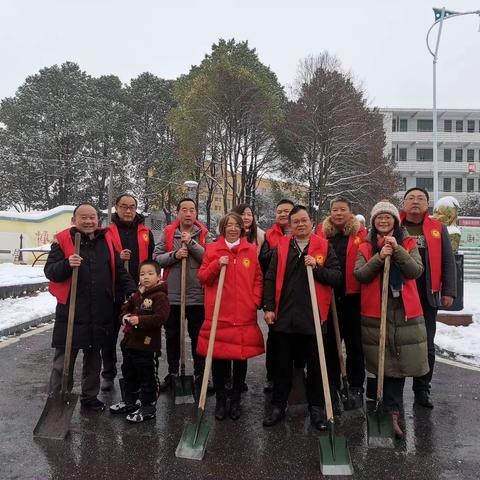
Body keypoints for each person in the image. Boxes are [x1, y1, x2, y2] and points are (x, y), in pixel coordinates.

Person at [44, 203, 136, 412]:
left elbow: (119, 270)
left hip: (100, 309)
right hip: (72, 310)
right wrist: (67, 264)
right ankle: (58, 397)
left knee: (94, 359)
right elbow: (50, 271)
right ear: (74, 221)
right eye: (83, 217)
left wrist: (131, 290)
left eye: (92, 217)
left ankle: (90, 397)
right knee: (64, 360)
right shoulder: (63, 241)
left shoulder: (106, 240)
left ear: (98, 219)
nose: (88, 221)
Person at [262, 205, 342, 430]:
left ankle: (316, 409)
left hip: (313, 318)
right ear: (290, 225)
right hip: (285, 317)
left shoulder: (324, 247)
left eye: (304, 220)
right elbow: (269, 278)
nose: (300, 224)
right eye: (295, 221)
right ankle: (278, 405)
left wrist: (317, 267)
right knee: (282, 366)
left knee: (316, 367)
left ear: (311, 221)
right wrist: (268, 307)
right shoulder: (282, 247)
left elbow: (336, 277)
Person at [354, 201, 428, 438]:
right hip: (377, 309)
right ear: (373, 222)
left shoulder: (407, 243)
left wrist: (397, 250)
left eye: (388, 218)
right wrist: (379, 256)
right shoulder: (365, 246)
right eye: (379, 218)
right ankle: (383, 406)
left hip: (404, 309)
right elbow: (361, 275)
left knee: (400, 360)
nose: (383, 222)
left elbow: (416, 271)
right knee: (382, 360)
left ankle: (393, 411)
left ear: (396, 221)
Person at [197, 212, 264, 420]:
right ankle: (221, 400)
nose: (233, 228)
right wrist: (218, 264)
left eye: (236, 225)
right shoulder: (212, 249)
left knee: (240, 359)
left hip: (243, 313)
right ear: (223, 228)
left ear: (242, 228)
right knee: (219, 360)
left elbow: (258, 278)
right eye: (229, 225)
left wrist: (254, 300)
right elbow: (203, 278)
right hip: (219, 313)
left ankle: (235, 400)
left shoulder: (250, 250)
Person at [400, 187, 456, 409]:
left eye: (420, 198)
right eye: (411, 198)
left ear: (428, 204)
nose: (415, 202)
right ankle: (393, 390)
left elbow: (447, 261)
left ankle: (422, 389)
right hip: (399, 295)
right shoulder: (393, 225)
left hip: (427, 295)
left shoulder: (437, 228)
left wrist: (449, 291)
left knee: (426, 346)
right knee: (398, 344)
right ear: (403, 203)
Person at [153, 198, 214, 391]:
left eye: (192, 210)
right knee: (172, 336)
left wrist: (192, 244)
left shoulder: (205, 234)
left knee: (198, 337)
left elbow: (209, 258)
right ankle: (172, 373)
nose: (188, 213)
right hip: (172, 296)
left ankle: (200, 374)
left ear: (196, 213)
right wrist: (175, 255)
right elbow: (156, 259)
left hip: (197, 297)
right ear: (178, 212)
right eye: (184, 210)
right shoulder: (168, 233)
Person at [101, 194, 155, 392]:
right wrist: (117, 256)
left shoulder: (145, 232)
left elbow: (151, 260)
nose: (128, 210)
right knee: (110, 334)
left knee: (137, 335)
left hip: (139, 292)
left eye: (132, 207)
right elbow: (101, 260)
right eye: (124, 206)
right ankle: (108, 372)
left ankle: (134, 374)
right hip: (113, 291)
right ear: (116, 207)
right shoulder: (106, 232)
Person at [316, 197, 367, 408]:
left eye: (343, 210)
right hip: (329, 296)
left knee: (355, 345)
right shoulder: (321, 234)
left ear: (350, 212)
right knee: (330, 345)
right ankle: (333, 383)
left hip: (353, 297)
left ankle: (355, 385)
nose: (338, 213)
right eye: (335, 210)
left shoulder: (361, 234)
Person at [109, 260, 170, 422]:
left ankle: (148, 407)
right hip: (130, 343)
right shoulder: (137, 294)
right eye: (143, 274)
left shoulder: (160, 296)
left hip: (147, 345)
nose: (146, 277)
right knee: (129, 372)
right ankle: (130, 401)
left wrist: (140, 320)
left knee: (147, 376)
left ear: (159, 276)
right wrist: (125, 318)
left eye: (150, 274)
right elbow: (124, 310)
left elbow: (161, 318)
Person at [259, 199, 295, 392]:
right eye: (279, 211)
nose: (283, 214)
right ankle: (272, 375)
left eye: (286, 211)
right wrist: (280, 248)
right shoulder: (269, 236)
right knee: (274, 337)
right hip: (275, 293)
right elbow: (262, 261)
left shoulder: (302, 231)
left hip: (296, 294)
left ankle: (296, 374)